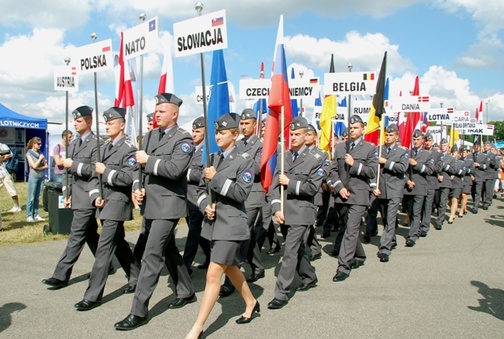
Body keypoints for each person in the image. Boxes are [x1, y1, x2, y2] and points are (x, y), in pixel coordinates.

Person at [114, 93, 195, 331]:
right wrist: (138, 188)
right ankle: (186, 289)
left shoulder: (184, 139)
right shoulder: (150, 136)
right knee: (168, 250)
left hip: (169, 206)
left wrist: (149, 159)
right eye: (156, 110)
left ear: (174, 114)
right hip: (151, 204)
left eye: (161, 111)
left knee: (151, 255)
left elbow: (175, 170)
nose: (156, 114)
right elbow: (139, 172)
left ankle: (138, 311)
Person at [185, 113, 259, 339]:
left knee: (213, 274)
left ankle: (197, 327)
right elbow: (198, 190)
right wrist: (206, 204)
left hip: (232, 225)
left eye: (223, 132)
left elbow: (240, 193)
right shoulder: (212, 158)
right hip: (214, 224)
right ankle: (251, 302)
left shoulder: (245, 160)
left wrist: (217, 178)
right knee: (230, 268)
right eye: (216, 132)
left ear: (235, 135)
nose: (217, 136)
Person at [74, 107, 141, 311]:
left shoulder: (128, 149)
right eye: (106, 123)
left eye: (111, 123)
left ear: (122, 125)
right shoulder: (102, 148)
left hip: (118, 203)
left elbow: (129, 177)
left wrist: (108, 172)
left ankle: (93, 295)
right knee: (118, 242)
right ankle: (136, 276)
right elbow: (95, 177)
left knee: (104, 248)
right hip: (103, 203)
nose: (107, 125)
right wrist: (95, 196)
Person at [42, 106, 102, 290]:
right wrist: (66, 192)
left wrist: (75, 164)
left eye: (79, 121)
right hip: (76, 195)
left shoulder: (97, 143)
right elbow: (68, 173)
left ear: (89, 122)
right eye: (74, 121)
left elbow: (95, 170)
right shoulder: (73, 144)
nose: (75, 124)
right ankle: (111, 263)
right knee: (91, 234)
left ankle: (60, 275)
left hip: (88, 196)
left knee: (76, 235)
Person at [267, 117, 324, 310]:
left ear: (307, 135)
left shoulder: (318, 158)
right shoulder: (283, 156)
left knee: (289, 252)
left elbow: (312, 188)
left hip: (301, 212)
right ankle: (309, 275)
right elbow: (274, 186)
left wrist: (289, 183)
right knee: (298, 249)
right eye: (291, 134)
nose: (293, 137)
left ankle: (281, 293)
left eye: (297, 134)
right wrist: (276, 208)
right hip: (284, 212)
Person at [328, 115, 377, 282]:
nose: (352, 130)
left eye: (355, 127)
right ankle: (360, 256)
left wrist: (354, 164)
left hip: (359, 196)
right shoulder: (341, 147)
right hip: (342, 195)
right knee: (349, 228)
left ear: (362, 129)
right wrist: (339, 187)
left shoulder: (370, 148)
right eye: (350, 127)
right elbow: (333, 170)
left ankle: (343, 266)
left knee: (350, 229)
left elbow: (372, 172)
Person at [373, 124, 408, 262]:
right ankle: (391, 239)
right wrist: (373, 186)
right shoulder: (378, 150)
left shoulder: (402, 151)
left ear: (396, 136)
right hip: (381, 188)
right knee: (386, 216)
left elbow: (402, 168)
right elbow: (373, 169)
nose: (388, 137)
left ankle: (384, 249)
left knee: (391, 218)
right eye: (386, 135)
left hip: (395, 189)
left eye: (391, 135)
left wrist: (386, 162)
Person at [183, 116, 211, 272]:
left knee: (193, 234)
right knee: (198, 234)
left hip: (197, 198)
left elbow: (202, 175)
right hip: (186, 198)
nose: (194, 134)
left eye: (198, 131)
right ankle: (209, 256)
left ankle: (185, 266)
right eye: (193, 131)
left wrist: (184, 173)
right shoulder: (190, 149)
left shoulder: (206, 152)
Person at [403, 130, 434, 246]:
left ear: (422, 141)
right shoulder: (407, 153)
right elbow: (403, 170)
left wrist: (417, 164)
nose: (415, 141)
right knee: (410, 211)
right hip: (408, 187)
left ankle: (413, 235)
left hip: (420, 187)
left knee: (416, 211)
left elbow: (430, 170)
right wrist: (407, 181)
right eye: (414, 139)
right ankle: (414, 228)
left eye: (418, 139)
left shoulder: (427, 154)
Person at [434, 139, 456, 230]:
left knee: (443, 202)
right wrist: (438, 175)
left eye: (445, 145)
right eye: (442, 145)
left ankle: (440, 220)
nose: (443, 147)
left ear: (448, 147)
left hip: (446, 182)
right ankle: (439, 214)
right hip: (436, 181)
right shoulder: (436, 156)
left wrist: (444, 166)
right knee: (437, 201)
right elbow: (432, 168)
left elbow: (453, 170)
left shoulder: (451, 158)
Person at [25, 136, 48, 222]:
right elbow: (33, 165)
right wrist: (40, 159)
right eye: (38, 144)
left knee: (37, 197)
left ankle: (36, 214)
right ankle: (29, 215)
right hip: (33, 177)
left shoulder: (40, 152)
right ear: (34, 144)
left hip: (41, 177)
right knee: (31, 197)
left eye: (40, 144)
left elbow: (46, 166)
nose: (40, 145)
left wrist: (38, 168)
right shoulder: (29, 154)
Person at [0, 143, 21, 212]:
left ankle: (17, 206)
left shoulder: (3, 146)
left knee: (11, 189)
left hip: (5, 172)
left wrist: (2, 159)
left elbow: (11, 154)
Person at [471, 142, 488, 214]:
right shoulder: (470, 155)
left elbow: (486, 166)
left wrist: (479, 165)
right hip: (472, 176)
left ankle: (475, 206)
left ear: (480, 147)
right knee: (472, 191)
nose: (476, 147)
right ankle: (475, 201)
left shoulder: (484, 156)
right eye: (475, 146)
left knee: (477, 192)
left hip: (480, 176)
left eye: (478, 146)